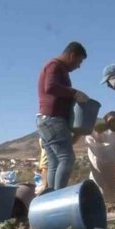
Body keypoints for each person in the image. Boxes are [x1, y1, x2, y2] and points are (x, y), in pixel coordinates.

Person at [36, 41, 89, 191]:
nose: (78, 66)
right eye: (79, 61)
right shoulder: (55, 65)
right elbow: (50, 87)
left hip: (45, 120)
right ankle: (58, 198)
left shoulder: (58, 68)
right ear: (72, 55)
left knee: (54, 162)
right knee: (67, 159)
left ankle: (51, 199)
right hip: (52, 120)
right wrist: (74, 93)